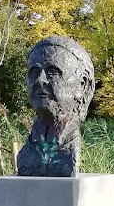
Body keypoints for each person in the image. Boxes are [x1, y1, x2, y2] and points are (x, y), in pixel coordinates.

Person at [17, 36, 95, 177]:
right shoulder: (27, 154)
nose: (40, 80)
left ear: (82, 85)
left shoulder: (69, 152)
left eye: (52, 72)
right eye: (34, 72)